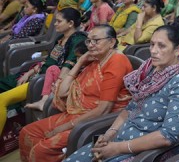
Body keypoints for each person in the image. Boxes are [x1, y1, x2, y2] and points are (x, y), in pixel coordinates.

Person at [66, 25, 179, 162]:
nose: (153, 51)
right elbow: (131, 108)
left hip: (146, 152)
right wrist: (109, 134)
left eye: (161, 46)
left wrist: (118, 148)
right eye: (152, 44)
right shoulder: (151, 69)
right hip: (121, 138)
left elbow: (167, 136)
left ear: (177, 50)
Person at [19, 25, 133, 161]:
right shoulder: (95, 61)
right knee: (27, 132)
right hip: (77, 114)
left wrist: (64, 127)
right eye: (88, 41)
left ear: (112, 42)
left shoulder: (117, 61)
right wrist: (80, 62)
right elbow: (62, 92)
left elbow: (104, 109)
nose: (90, 45)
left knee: (41, 150)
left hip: (95, 121)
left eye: (96, 41)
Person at [0, 8, 87, 133]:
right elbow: (48, 60)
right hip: (36, 74)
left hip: (43, 81)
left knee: (2, 99)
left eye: (58, 21)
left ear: (70, 23)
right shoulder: (61, 38)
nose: (55, 24)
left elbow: (67, 67)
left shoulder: (77, 40)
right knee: (4, 83)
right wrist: (30, 72)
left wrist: (56, 84)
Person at [25, 41, 88, 111]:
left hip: (69, 96)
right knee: (53, 69)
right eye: (77, 57)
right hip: (63, 88)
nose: (78, 60)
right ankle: (44, 100)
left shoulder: (89, 71)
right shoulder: (77, 66)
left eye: (80, 57)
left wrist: (59, 87)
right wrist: (57, 84)